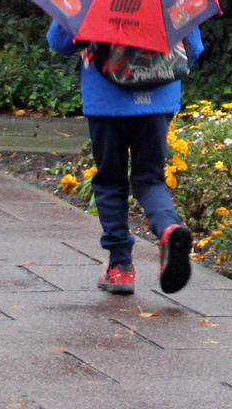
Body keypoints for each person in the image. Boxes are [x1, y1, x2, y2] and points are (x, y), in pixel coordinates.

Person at [48, 21, 204, 295]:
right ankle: (169, 229)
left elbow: (60, 42)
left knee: (110, 179)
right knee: (150, 179)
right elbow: (196, 48)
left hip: (106, 99)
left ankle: (120, 267)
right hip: (158, 98)